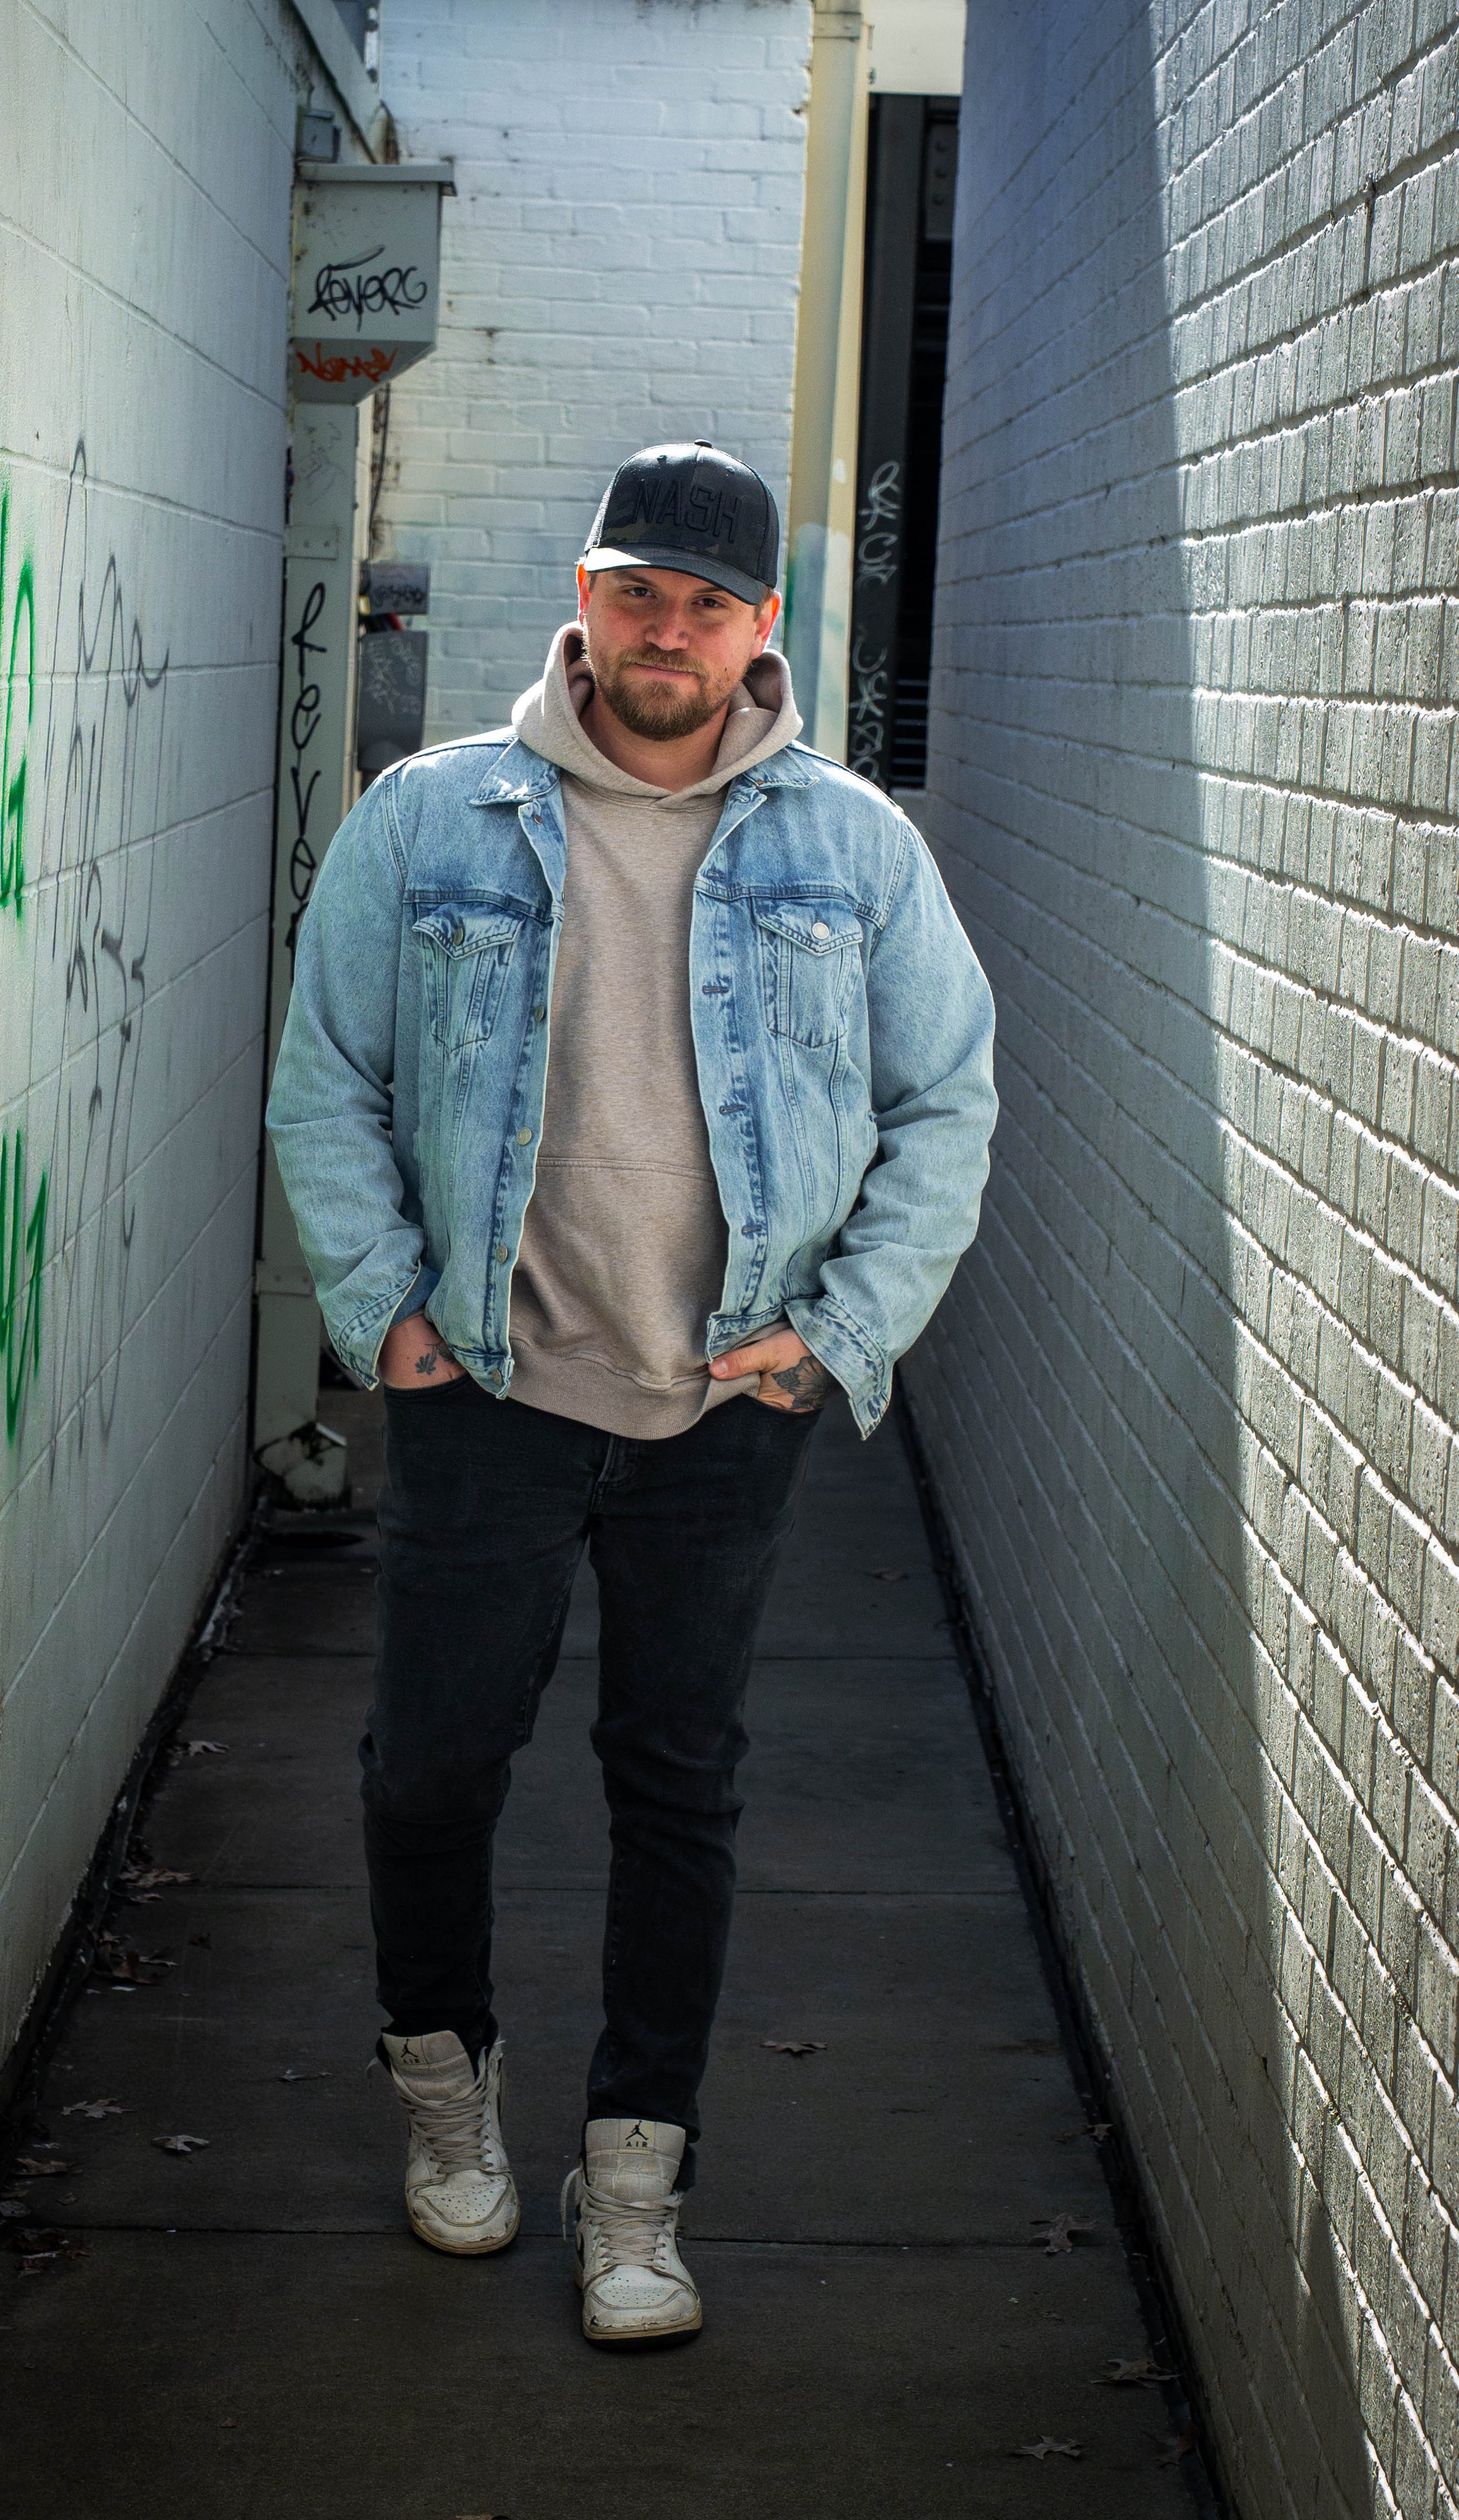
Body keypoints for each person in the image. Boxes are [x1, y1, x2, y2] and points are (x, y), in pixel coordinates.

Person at [267, 439, 997, 2345]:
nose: (662, 628)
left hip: (719, 1405)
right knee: (432, 1765)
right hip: (484, 1384)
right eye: (632, 588)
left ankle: (633, 2176)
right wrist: (384, 1306)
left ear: (763, 628)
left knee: (675, 1784)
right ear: (582, 600)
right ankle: (444, 2092)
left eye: (704, 600)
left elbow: (947, 1107)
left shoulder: (850, 845)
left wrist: (839, 1336)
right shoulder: (432, 820)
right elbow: (323, 1074)